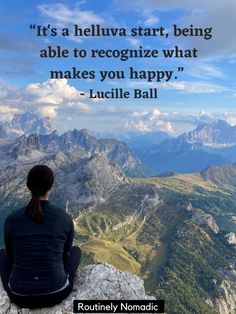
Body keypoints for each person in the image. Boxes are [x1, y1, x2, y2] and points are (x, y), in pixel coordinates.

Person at [0, 164, 82, 309]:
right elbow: (65, 254)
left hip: (20, 295)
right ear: (51, 187)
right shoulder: (64, 218)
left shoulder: (12, 219)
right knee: (76, 251)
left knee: (2, 253)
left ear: (28, 186)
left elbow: (11, 256)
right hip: (57, 292)